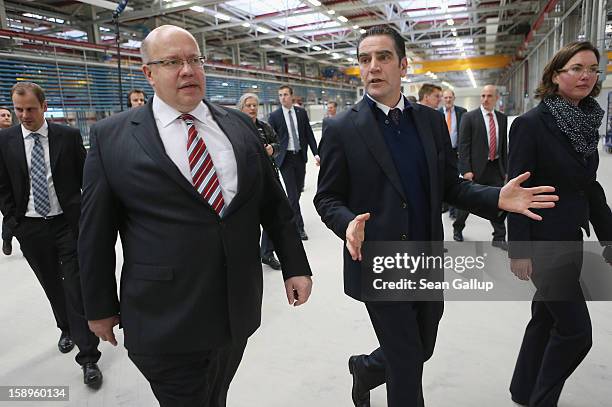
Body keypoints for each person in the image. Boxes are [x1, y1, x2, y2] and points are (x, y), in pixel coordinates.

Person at [314, 25, 559, 407]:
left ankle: (366, 367)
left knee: (421, 346)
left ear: (403, 65)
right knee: (408, 364)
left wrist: (498, 198)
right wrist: (346, 222)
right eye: (365, 60)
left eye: (383, 57)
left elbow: (451, 186)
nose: (373, 67)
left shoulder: (428, 122)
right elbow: (327, 197)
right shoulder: (342, 128)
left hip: (426, 259)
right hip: (378, 262)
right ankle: (381, 371)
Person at [78, 25, 312, 407]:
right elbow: (94, 234)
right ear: (148, 73)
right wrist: (100, 307)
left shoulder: (239, 125)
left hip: (235, 309)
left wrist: (295, 265)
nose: (187, 70)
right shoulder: (112, 137)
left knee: (216, 392)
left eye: (194, 60)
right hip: (163, 318)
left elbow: (272, 203)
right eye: (172, 62)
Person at [507, 41, 612, 407]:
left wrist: (608, 235)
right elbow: (515, 193)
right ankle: (542, 401)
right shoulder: (530, 125)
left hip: (570, 237)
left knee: (545, 318)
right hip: (543, 243)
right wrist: (518, 250)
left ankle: (523, 390)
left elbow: (589, 186)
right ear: (555, 74)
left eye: (593, 69)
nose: (587, 75)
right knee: (575, 332)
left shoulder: (586, 122)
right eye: (577, 68)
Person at [0, 82, 103, 386]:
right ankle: (66, 329)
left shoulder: (67, 137)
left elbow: (87, 178)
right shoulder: (5, 140)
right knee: (51, 285)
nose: (24, 115)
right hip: (30, 228)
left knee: (75, 287)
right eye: (19, 110)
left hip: (66, 225)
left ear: (44, 107)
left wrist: (89, 216)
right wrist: (13, 221)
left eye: (30, 109)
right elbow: (3, 185)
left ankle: (88, 357)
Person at [454, 84, 508, 250]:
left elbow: (503, 146)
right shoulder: (470, 117)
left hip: (495, 168)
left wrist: (505, 169)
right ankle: (458, 229)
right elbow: (463, 146)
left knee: (499, 204)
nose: (485, 99)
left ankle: (499, 237)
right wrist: (466, 170)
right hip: (475, 170)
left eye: (489, 96)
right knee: (467, 204)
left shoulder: (502, 118)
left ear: (496, 98)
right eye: (483, 96)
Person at [237, 92, 283, 270]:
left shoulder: (265, 127)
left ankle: (267, 253)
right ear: (241, 108)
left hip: (269, 177)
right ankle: (249, 255)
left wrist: (273, 149)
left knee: (273, 215)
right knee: (249, 220)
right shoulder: (235, 127)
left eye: (255, 105)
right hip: (246, 181)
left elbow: (278, 144)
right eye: (248, 105)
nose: (252, 108)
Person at [268, 85, 319, 241]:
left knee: (297, 191)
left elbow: (308, 134)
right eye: (280, 95)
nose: (282, 97)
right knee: (292, 193)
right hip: (285, 158)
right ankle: (298, 227)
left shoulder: (301, 113)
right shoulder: (275, 116)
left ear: (292, 96)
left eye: (285, 94)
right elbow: (272, 139)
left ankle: (289, 216)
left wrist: (316, 153)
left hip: (300, 157)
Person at [438, 89, 467, 219]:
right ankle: (445, 205)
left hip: (457, 151)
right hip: (443, 151)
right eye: (446, 98)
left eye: (450, 97)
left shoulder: (462, 112)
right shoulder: (436, 114)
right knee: (443, 178)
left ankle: (454, 209)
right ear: (442, 99)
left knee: (456, 178)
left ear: (454, 98)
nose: (448, 100)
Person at [0, 107, 14, 255]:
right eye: (2, 115)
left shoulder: (17, 135)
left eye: (8, 115)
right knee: (9, 212)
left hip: (15, 181)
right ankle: (7, 238)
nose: (6, 117)